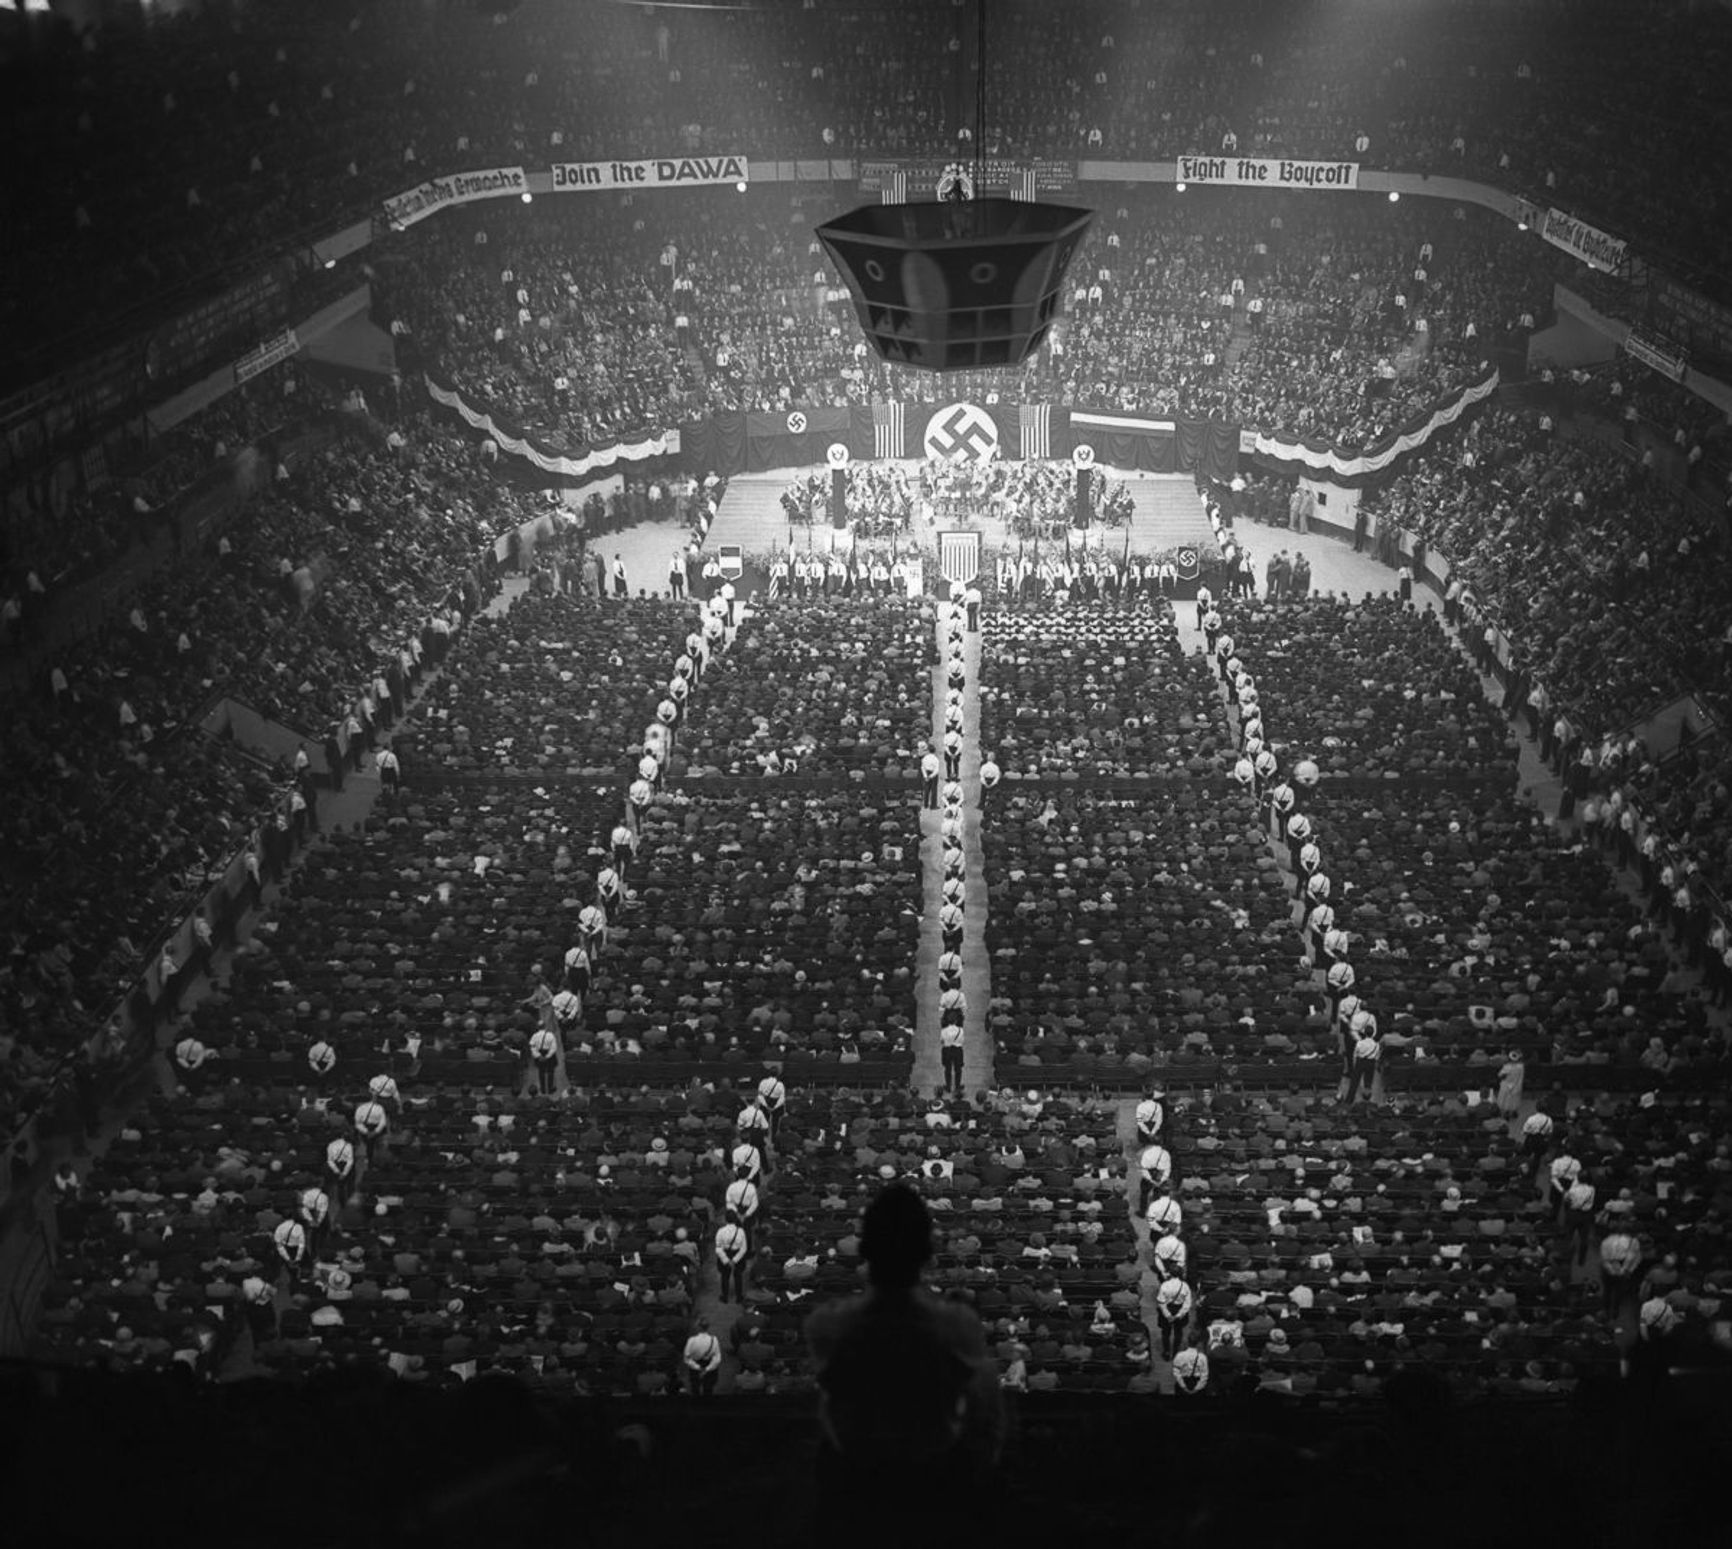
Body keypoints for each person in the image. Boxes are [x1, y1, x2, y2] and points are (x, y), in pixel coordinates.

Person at [805, 1185, 1002, 1546]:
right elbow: (986, 1424)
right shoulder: (957, 1326)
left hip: (853, 1502)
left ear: (864, 1250)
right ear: (927, 1253)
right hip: (937, 1500)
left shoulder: (827, 1327)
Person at [683, 1317, 723, 1397]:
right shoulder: (714, 1339)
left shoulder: (691, 1340)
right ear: (708, 1327)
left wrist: (697, 1367)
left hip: (695, 1367)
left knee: (695, 1388)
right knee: (708, 1389)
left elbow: (687, 1358)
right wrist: (708, 1368)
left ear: (698, 1327)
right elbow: (717, 1358)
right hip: (709, 1366)